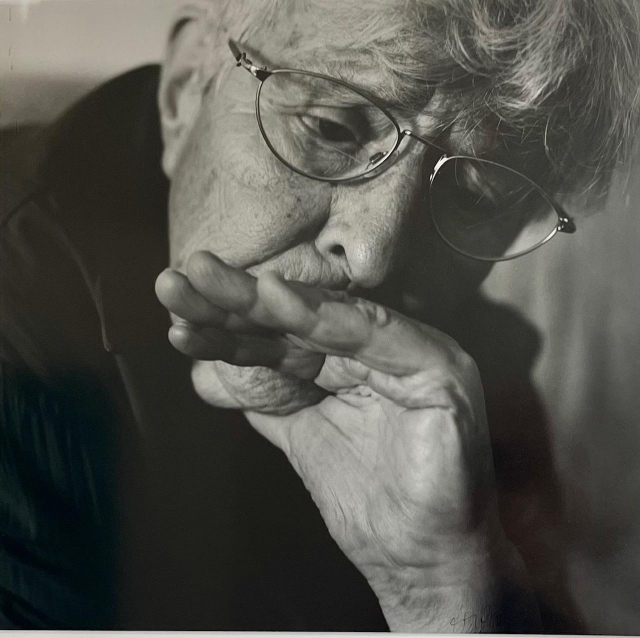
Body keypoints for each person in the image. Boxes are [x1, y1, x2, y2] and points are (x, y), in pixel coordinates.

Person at [0, 0, 638, 631]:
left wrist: (445, 590)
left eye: (474, 195)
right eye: (332, 129)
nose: (372, 254)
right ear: (184, 92)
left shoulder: (472, 378)